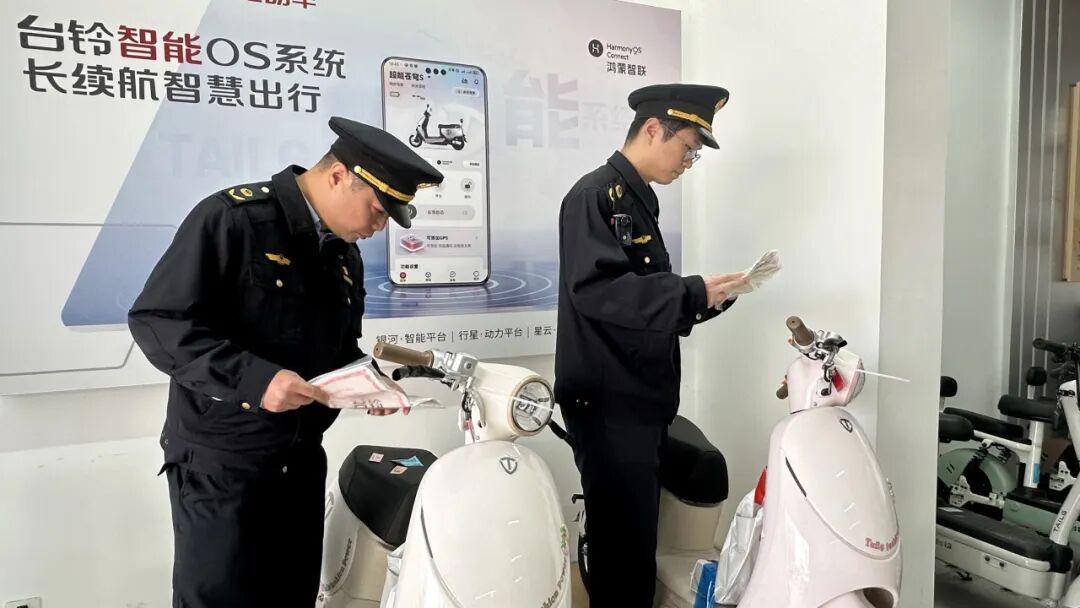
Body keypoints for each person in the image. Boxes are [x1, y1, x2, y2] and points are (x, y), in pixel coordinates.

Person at [128, 116, 442, 607]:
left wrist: (368, 382)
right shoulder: (233, 221)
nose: (380, 227)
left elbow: (336, 349)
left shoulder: (343, 255)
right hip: (223, 466)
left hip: (299, 463)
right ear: (337, 176)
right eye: (378, 210)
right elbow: (158, 321)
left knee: (293, 597)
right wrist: (256, 381)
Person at [555, 84, 753, 606]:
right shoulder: (595, 196)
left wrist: (707, 299)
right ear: (651, 129)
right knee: (623, 551)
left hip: (637, 397)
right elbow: (598, 291)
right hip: (608, 399)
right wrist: (689, 292)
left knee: (635, 543)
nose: (689, 162)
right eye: (687, 148)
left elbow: (641, 301)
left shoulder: (637, 198)